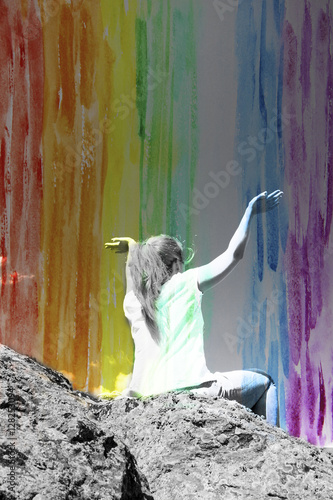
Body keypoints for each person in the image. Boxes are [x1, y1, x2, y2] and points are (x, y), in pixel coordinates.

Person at [105, 190, 283, 426]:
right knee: (266, 382)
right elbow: (233, 254)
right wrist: (250, 211)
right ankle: (273, 444)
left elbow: (132, 282)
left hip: (151, 399)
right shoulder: (186, 282)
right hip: (196, 391)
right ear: (176, 263)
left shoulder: (135, 303)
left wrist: (132, 250)